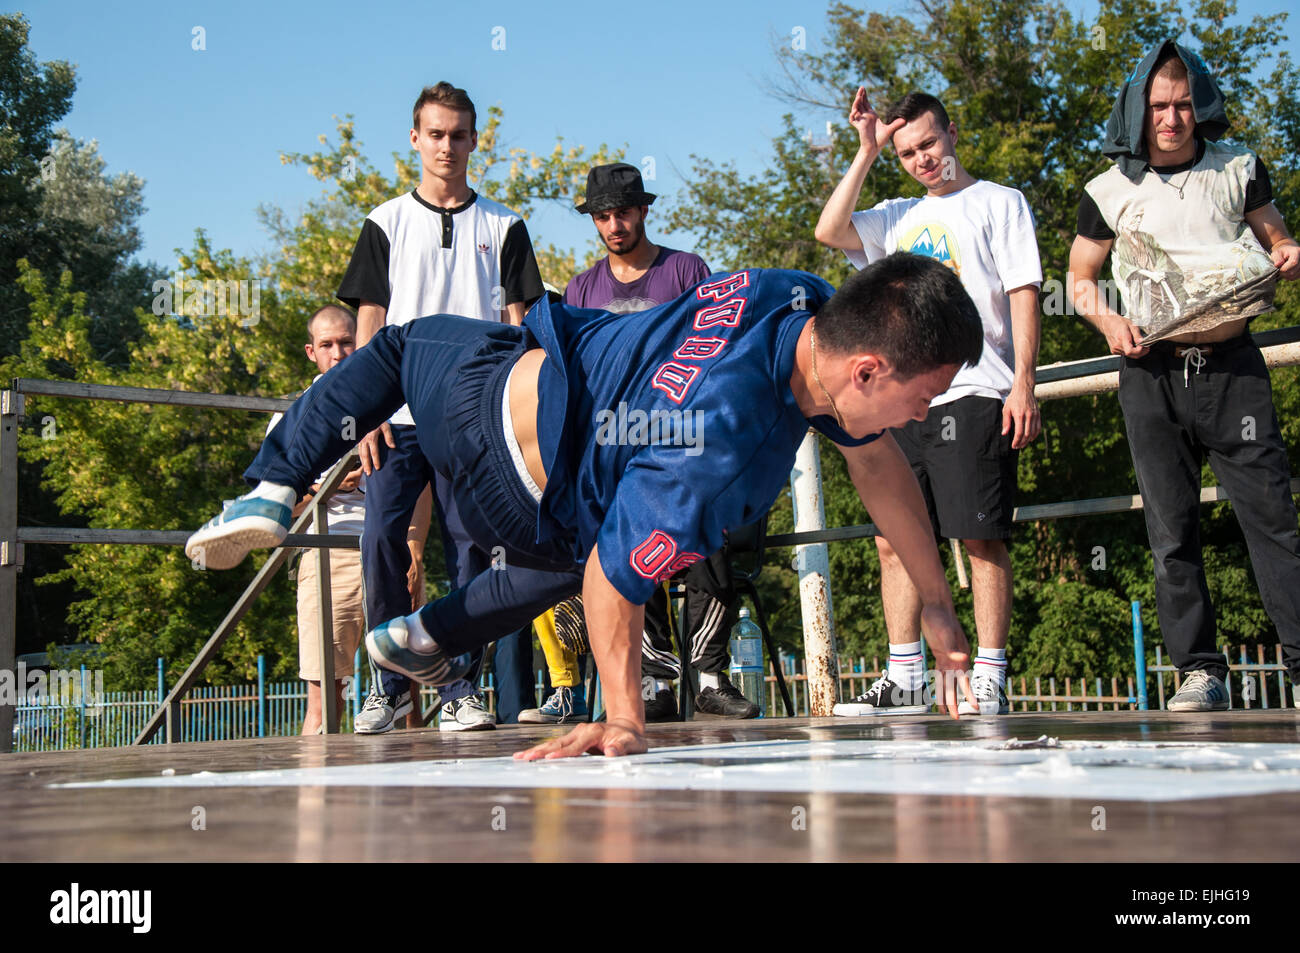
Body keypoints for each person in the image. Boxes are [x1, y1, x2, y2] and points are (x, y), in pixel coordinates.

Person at [185, 253, 984, 759]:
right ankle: (273, 483)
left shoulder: (798, 299)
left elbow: (877, 467)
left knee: (584, 545)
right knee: (399, 344)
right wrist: (627, 720)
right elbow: (613, 583)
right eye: (926, 395)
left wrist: (938, 607)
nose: (923, 415)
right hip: (487, 422)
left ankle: (424, 633)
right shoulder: (718, 447)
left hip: (544, 470)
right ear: (870, 371)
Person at [1068, 40, 1300, 710]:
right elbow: (1080, 280)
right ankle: (1202, 670)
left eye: (1182, 104)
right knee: (1172, 531)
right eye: (1158, 106)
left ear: (1200, 105)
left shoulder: (1239, 168)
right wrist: (1112, 327)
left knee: (1274, 519)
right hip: (1151, 375)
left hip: (1234, 371)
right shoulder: (1108, 189)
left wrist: (1286, 252)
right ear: (1136, 111)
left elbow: (1276, 240)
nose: (1171, 118)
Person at [815, 89, 1042, 716]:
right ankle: (906, 675)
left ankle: (989, 677)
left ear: (952, 133)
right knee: (894, 539)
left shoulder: (999, 202)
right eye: (907, 151)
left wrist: (1024, 382)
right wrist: (866, 150)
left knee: (979, 536)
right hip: (900, 401)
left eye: (929, 144)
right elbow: (829, 230)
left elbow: (1023, 294)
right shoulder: (894, 216)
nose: (921, 159)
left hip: (975, 389)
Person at [336, 81, 544, 733]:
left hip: (474, 417)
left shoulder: (505, 226)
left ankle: (459, 686)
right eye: (435, 133)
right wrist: (365, 409)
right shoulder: (385, 222)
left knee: (474, 550)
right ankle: (390, 684)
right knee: (378, 540)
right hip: (397, 419)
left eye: (459, 134)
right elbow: (369, 318)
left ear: (474, 140)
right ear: (414, 138)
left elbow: (524, 326)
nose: (447, 145)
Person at [530, 162, 755, 723]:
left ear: (644, 211)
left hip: (684, 434)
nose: (613, 225)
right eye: (602, 216)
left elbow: (720, 352)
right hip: (617, 442)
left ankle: (708, 673)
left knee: (709, 507)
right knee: (620, 519)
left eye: (622, 212)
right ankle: (654, 677)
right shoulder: (582, 288)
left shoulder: (686, 271)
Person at [270, 305, 366, 735]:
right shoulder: (290, 419)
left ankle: (411, 803)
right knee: (325, 705)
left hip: (390, 551)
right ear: (312, 352)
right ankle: (317, 802)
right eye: (327, 345)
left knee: (408, 701)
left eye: (347, 342)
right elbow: (273, 506)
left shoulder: (393, 408)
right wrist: (325, 489)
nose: (339, 353)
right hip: (328, 557)